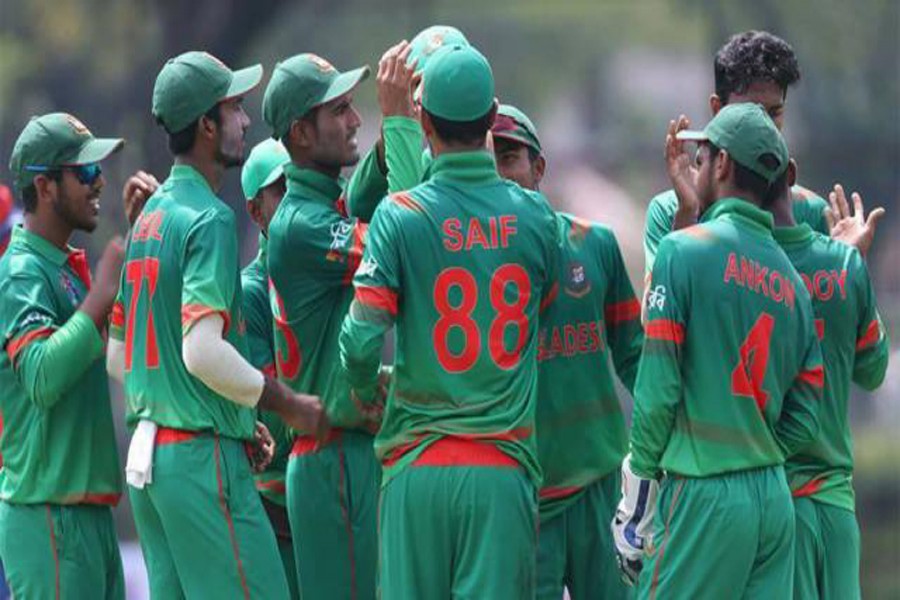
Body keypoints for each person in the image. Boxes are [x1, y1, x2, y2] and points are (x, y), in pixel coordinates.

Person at [339, 45, 561, 599]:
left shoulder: (400, 215)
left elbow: (361, 341)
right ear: (491, 120)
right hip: (501, 471)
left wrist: (370, 389)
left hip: (417, 469)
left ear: (425, 123)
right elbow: (544, 299)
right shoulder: (536, 217)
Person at [106, 50, 325, 599]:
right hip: (200, 462)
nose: (246, 121)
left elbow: (118, 358)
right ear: (207, 125)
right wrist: (283, 403)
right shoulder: (208, 218)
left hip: (149, 463)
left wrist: (227, 413)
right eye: (235, 109)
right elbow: (201, 352)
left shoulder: (148, 217)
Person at [613, 103, 824, 598]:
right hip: (772, 499)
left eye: (701, 158)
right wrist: (756, 445)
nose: (695, 167)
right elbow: (806, 412)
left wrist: (638, 491)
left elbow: (658, 385)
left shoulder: (681, 250)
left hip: (702, 491)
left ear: (723, 165)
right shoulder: (793, 285)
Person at [492, 103, 643, 599]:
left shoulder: (594, 244)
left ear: (539, 168)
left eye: (510, 156)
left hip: (600, 485)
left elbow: (635, 355)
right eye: (486, 157)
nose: (498, 170)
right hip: (523, 496)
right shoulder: (472, 263)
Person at [261, 52, 385, 600]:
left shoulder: (319, 207)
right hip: (330, 457)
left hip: (346, 454)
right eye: (339, 110)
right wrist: (403, 128)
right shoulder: (298, 224)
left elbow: (357, 206)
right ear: (301, 134)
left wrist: (392, 146)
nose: (355, 120)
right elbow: (396, 245)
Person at [0, 112, 126, 598]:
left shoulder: (63, 268)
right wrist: (100, 295)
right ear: (45, 186)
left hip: (87, 514)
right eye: (86, 172)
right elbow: (42, 376)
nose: (99, 184)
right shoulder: (20, 272)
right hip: (47, 516)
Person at [767, 173, 889, 599]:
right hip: (836, 502)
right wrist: (847, 265)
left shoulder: (745, 270)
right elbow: (872, 370)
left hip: (777, 501)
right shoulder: (841, 264)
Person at [643, 31, 838, 285]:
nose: (764, 127)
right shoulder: (670, 211)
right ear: (717, 109)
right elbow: (655, 314)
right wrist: (688, 215)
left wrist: (847, 264)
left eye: (774, 113)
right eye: (749, 112)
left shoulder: (812, 212)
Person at [238, 138, 301, 599]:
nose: (296, 199)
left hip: (337, 496)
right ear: (256, 212)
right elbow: (269, 402)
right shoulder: (251, 292)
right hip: (275, 503)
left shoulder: (334, 269)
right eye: (282, 191)